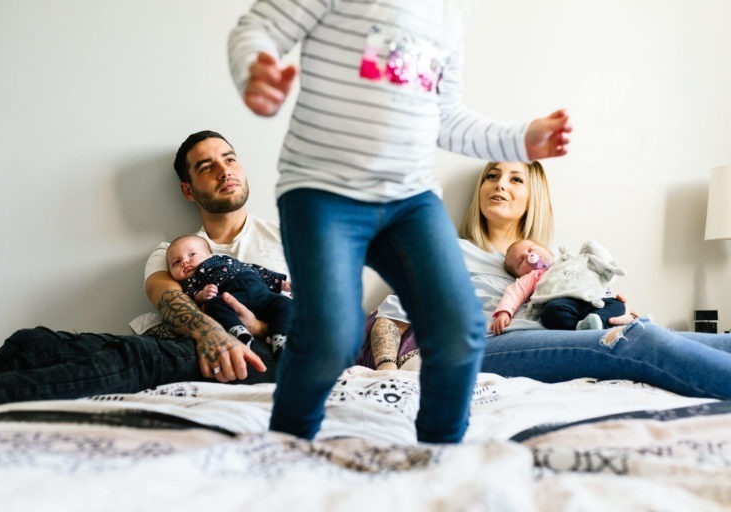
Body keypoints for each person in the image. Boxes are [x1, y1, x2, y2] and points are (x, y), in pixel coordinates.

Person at [228, 1, 572, 443]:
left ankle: (440, 449)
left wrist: (518, 139)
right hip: (323, 192)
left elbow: (444, 116)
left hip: (409, 200)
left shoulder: (449, 14)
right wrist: (256, 70)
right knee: (333, 335)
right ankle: (288, 441)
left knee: (458, 326)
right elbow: (257, 27)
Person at [0, 130, 285, 413]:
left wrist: (257, 326)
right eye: (206, 166)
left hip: (261, 358)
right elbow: (169, 299)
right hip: (198, 344)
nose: (223, 170)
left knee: (136, 355)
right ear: (188, 190)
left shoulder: (292, 241)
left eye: (229, 159)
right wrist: (211, 333)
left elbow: (330, 321)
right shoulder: (173, 254)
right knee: (32, 343)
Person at [361, 161, 731, 401]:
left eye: (514, 178)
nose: (499, 184)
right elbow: (390, 320)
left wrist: (610, 307)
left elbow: (576, 307)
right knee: (633, 344)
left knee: (654, 331)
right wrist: (388, 374)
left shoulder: (553, 264)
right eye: (491, 176)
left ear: (532, 196)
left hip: (537, 338)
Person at [166, 234, 291, 358]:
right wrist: (201, 295)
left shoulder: (225, 260)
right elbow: (190, 294)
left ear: (210, 254)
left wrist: (282, 283)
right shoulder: (189, 281)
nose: (184, 262)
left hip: (261, 294)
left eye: (192, 254)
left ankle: (280, 337)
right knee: (213, 305)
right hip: (231, 296)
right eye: (176, 262)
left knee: (286, 303)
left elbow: (256, 270)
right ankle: (238, 332)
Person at [491, 239, 626, 334]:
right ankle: (580, 328)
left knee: (617, 304)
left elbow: (596, 279)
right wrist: (504, 312)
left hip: (591, 302)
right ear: (519, 274)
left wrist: (605, 294)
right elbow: (515, 291)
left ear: (547, 251)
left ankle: (598, 321)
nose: (528, 256)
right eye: (520, 261)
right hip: (563, 303)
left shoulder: (573, 261)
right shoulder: (534, 276)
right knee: (551, 312)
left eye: (530, 249)